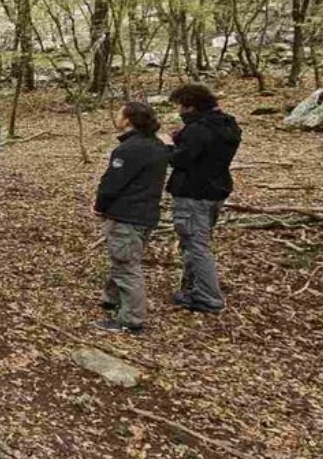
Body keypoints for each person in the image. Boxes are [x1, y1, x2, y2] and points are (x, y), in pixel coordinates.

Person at [92, 103, 171, 334]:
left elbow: (112, 184)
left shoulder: (129, 150)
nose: (116, 116)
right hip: (145, 213)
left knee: (126, 264)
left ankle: (131, 320)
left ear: (128, 120)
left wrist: (99, 206)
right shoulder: (157, 145)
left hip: (128, 214)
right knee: (123, 258)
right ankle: (112, 298)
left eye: (120, 113)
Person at [166, 83, 242, 314]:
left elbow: (181, 160)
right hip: (215, 190)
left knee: (196, 244)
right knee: (194, 242)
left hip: (194, 193)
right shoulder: (227, 125)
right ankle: (193, 288)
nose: (179, 111)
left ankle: (208, 298)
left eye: (181, 106)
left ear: (191, 106)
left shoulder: (198, 130)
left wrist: (168, 147)